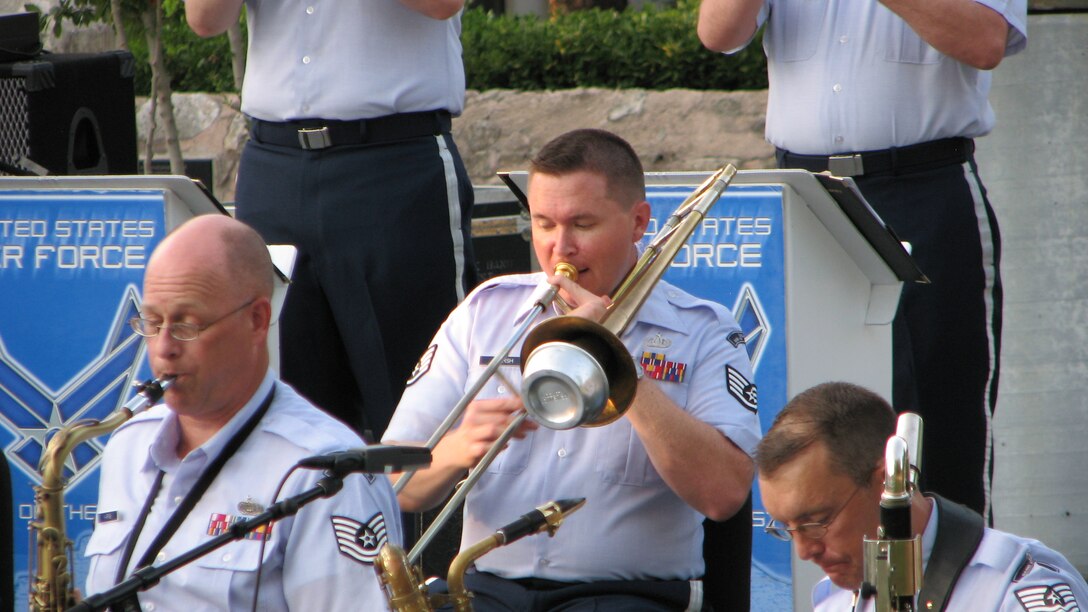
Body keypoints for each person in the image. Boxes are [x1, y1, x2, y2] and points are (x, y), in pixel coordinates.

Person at [381, 128, 762, 611]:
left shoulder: (703, 330)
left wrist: (615, 362)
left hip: (627, 596)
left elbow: (724, 495)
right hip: (486, 587)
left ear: (638, 222)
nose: (560, 248)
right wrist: (456, 449)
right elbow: (392, 482)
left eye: (582, 224)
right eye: (543, 224)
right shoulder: (484, 313)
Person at [696, 0, 1026, 522]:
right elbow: (718, 33)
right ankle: (831, 567)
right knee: (813, 406)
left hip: (920, 182)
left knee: (939, 410)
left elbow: (985, 42)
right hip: (805, 190)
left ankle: (948, 569)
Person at [184, 0, 476, 441]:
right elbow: (205, 20)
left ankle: (422, 491)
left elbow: (442, 5)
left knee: (423, 405)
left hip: (392, 161)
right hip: (275, 163)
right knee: (287, 412)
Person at [83, 215, 402, 610]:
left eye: (187, 325)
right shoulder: (127, 444)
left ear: (257, 320)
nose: (163, 349)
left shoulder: (325, 470)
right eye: (151, 322)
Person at [756, 381, 1088, 611]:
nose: (804, 552)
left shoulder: (1019, 586)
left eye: (816, 522)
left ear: (887, 482)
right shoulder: (834, 601)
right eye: (788, 528)